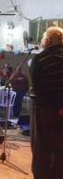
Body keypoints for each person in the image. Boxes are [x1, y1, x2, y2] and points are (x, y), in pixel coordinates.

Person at [30, 26, 63, 179]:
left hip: (46, 112)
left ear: (48, 41)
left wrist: (56, 108)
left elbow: (39, 89)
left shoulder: (40, 59)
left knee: (42, 149)